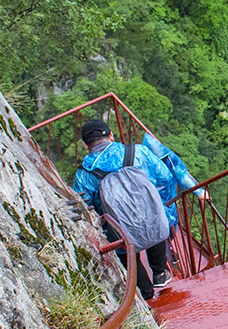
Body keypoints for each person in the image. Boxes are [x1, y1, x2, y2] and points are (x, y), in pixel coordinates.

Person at [70, 119, 209, 307]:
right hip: (152, 219)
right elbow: (165, 177)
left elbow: (86, 208)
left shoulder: (84, 175)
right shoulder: (138, 152)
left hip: (120, 232)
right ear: (111, 135)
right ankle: (160, 272)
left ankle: (147, 295)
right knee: (154, 217)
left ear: (85, 145)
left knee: (125, 251)